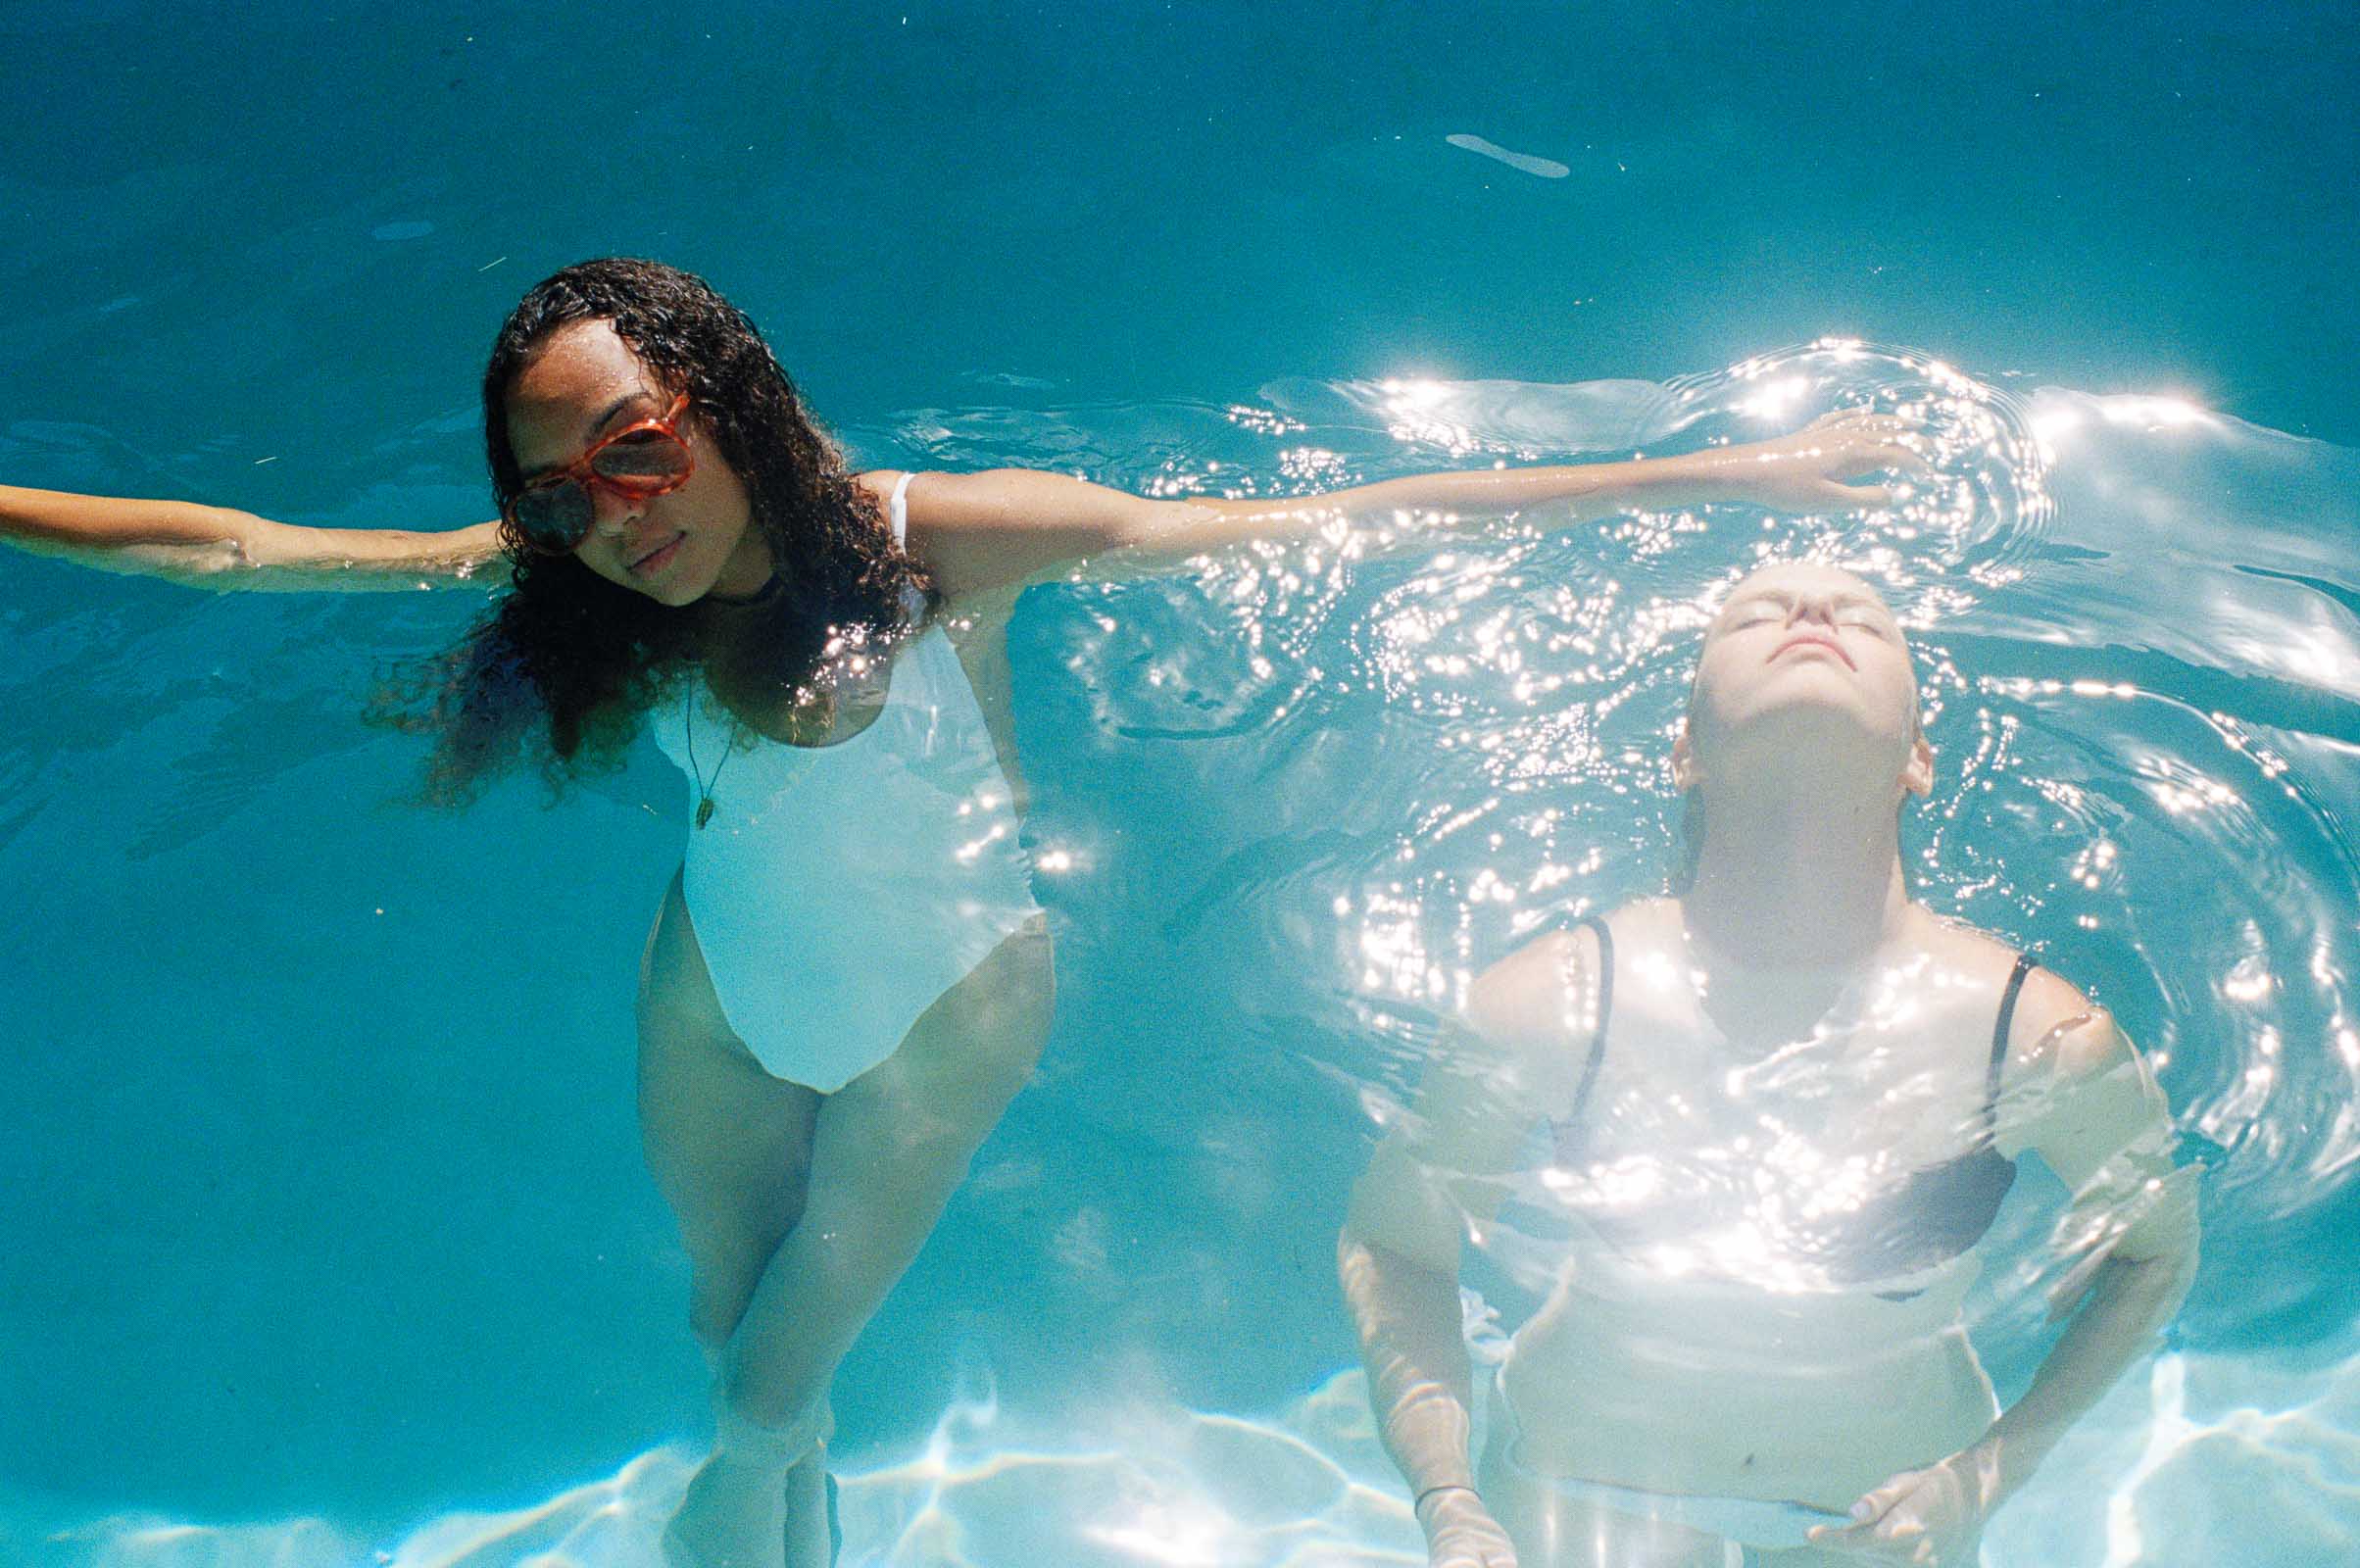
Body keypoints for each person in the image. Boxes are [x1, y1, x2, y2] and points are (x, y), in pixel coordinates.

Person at [1, 258, 1928, 1568]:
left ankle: (756, 1496)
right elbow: (237, 549)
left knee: (763, 1382)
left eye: (636, 449)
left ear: (721, 405)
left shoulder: (934, 548)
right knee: (727, 1321)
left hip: (946, 1014)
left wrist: (1731, 469)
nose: (612, 514)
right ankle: (796, 1491)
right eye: (560, 495)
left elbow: (1328, 519)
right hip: (713, 995)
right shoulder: (593, 591)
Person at [1338, 561, 2200, 1567]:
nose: (1811, 610)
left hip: (1884, 1512)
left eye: (1864, 621)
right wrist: (1447, 1496)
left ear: (1919, 759)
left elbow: (2155, 1253)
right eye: (1753, 614)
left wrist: (1988, 1472)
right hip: (1584, 1487)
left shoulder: (2035, 1036)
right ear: (1684, 752)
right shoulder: (1554, 1004)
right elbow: (1395, 1244)